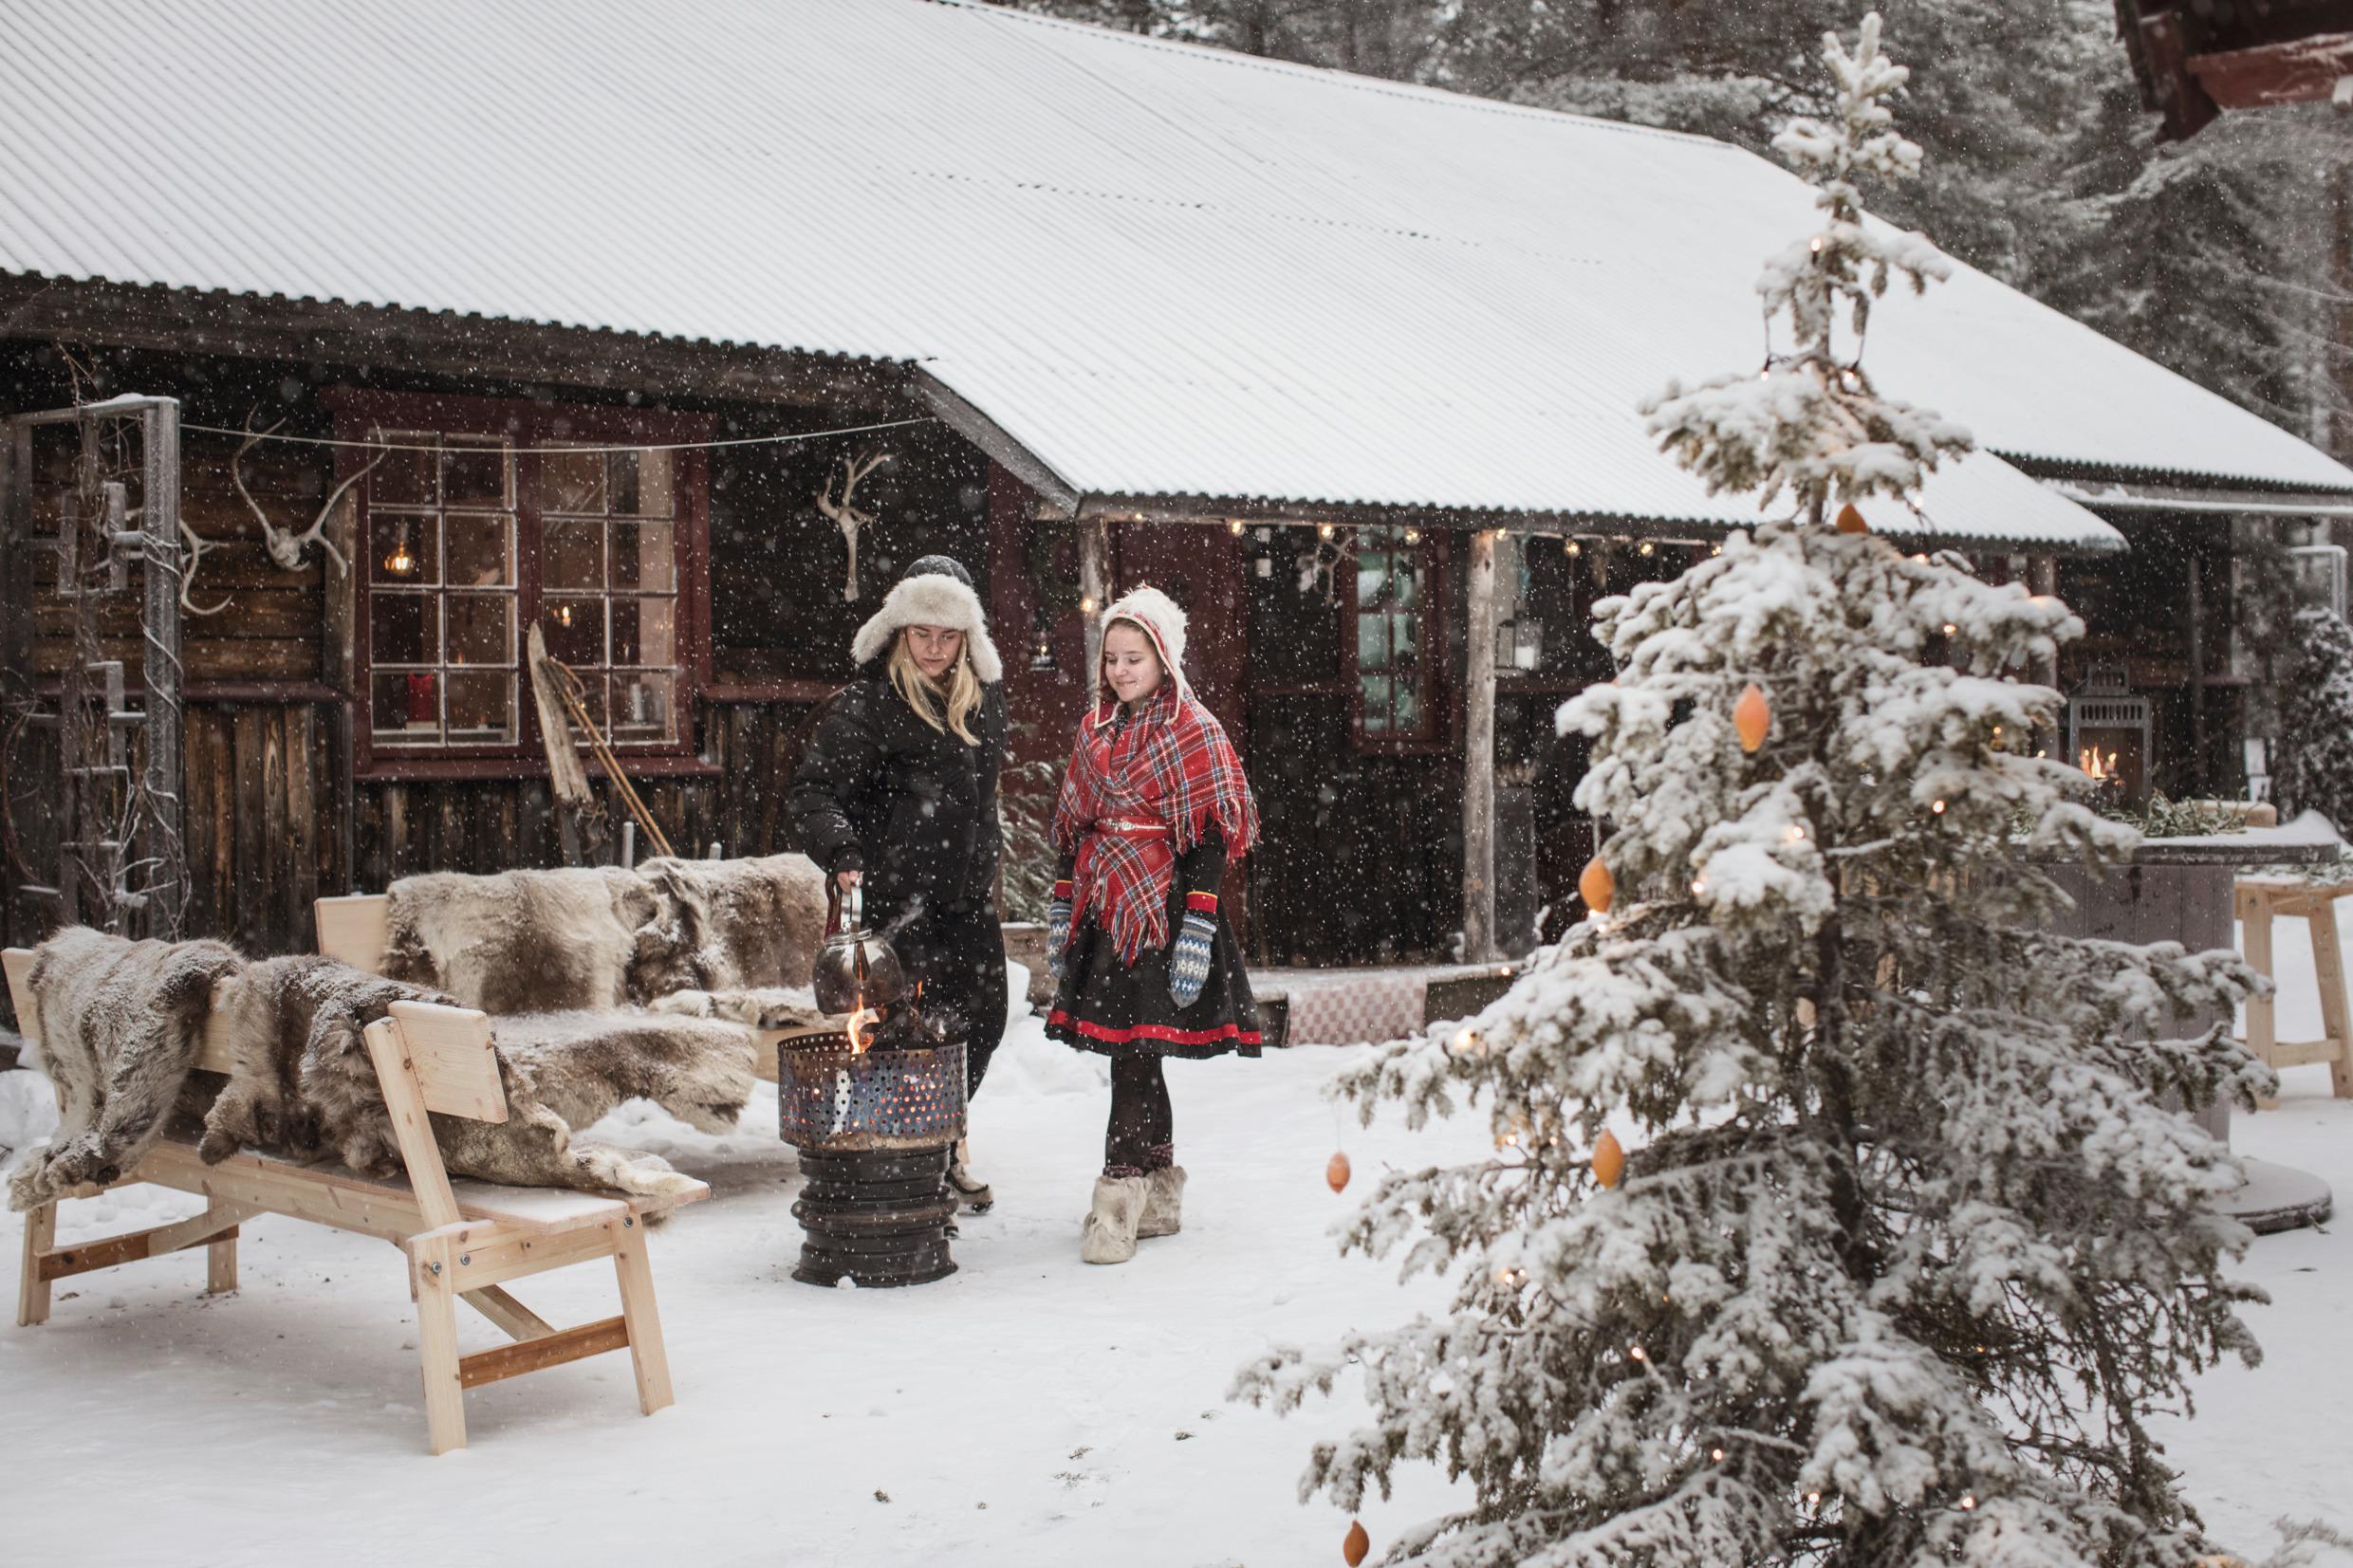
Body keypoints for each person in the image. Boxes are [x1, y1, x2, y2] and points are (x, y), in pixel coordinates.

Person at [1044, 585, 1261, 1264]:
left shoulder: (1195, 731)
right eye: (1111, 658)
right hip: (1106, 909)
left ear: (1164, 658)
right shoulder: (1095, 730)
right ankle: (1158, 1187)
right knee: (1134, 1049)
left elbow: (1211, 837)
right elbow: (1072, 826)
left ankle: (1117, 1200)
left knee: (1136, 1051)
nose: (1120, 670)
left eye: (1133, 658)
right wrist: (1062, 904)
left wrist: (1198, 924)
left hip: (1162, 912)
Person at [788, 555, 1008, 1212]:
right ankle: (899, 1168)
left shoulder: (984, 701)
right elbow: (814, 792)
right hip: (897, 905)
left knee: (980, 1023)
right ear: (899, 632)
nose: (934, 649)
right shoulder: (871, 703)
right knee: (901, 1038)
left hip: (965, 901)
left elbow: (981, 799)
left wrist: (983, 856)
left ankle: (937, 1146)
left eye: (948, 636)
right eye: (921, 634)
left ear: (967, 637)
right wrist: (842, 848)